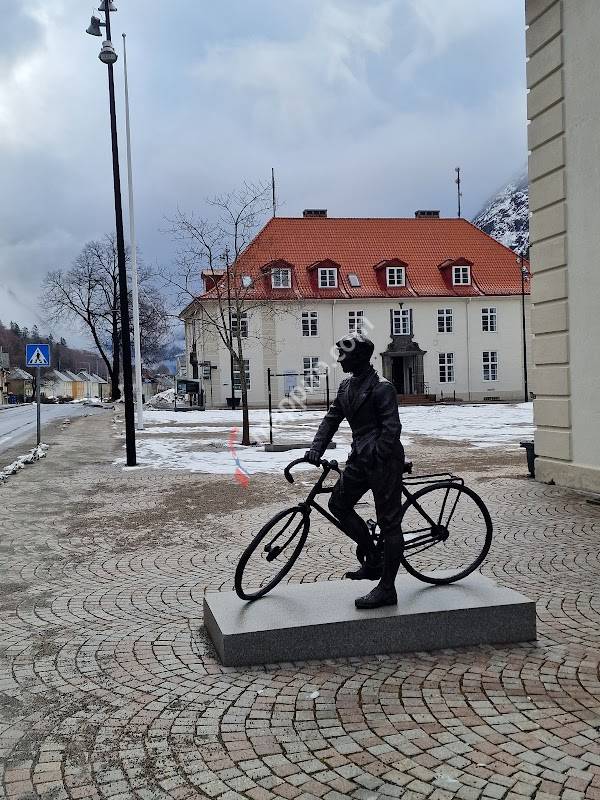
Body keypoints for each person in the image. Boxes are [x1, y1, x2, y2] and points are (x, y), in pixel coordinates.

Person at [305, 334, 405, 609]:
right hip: (360, 457)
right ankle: (373, 559)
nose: (339, 359)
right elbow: (332, 419)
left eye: (344, 354)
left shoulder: (382, 387)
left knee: (389, 523)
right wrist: (317, 448)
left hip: (383, 460)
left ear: (360, 356)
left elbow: (391, 430)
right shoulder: (346, 386)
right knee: (338, 503)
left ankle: (387, 588)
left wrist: (376, 455)